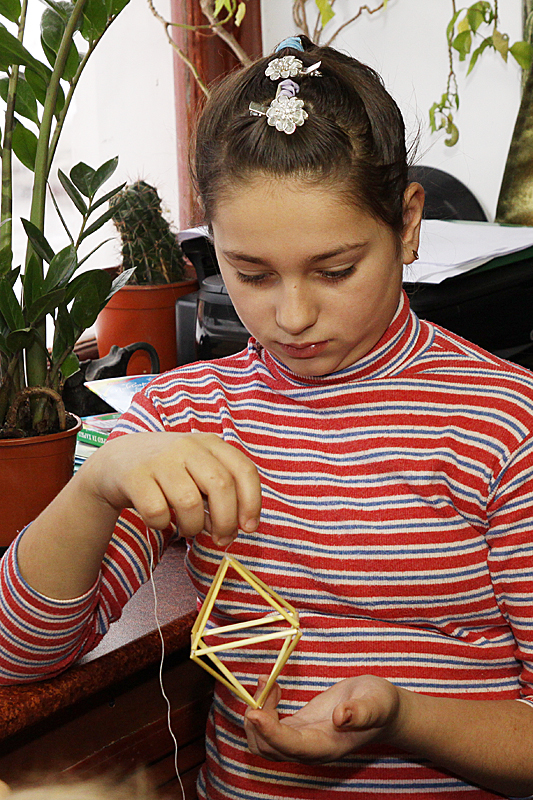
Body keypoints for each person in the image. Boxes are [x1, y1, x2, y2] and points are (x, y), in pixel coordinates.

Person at [1, 33, 533, 800]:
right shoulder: (183, 414)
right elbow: (17, 656)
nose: (291, 315)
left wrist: (400, 716)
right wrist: (98, 483)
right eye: (250, 273)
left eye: (335, 270)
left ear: (407, 222)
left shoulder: (504, 424)